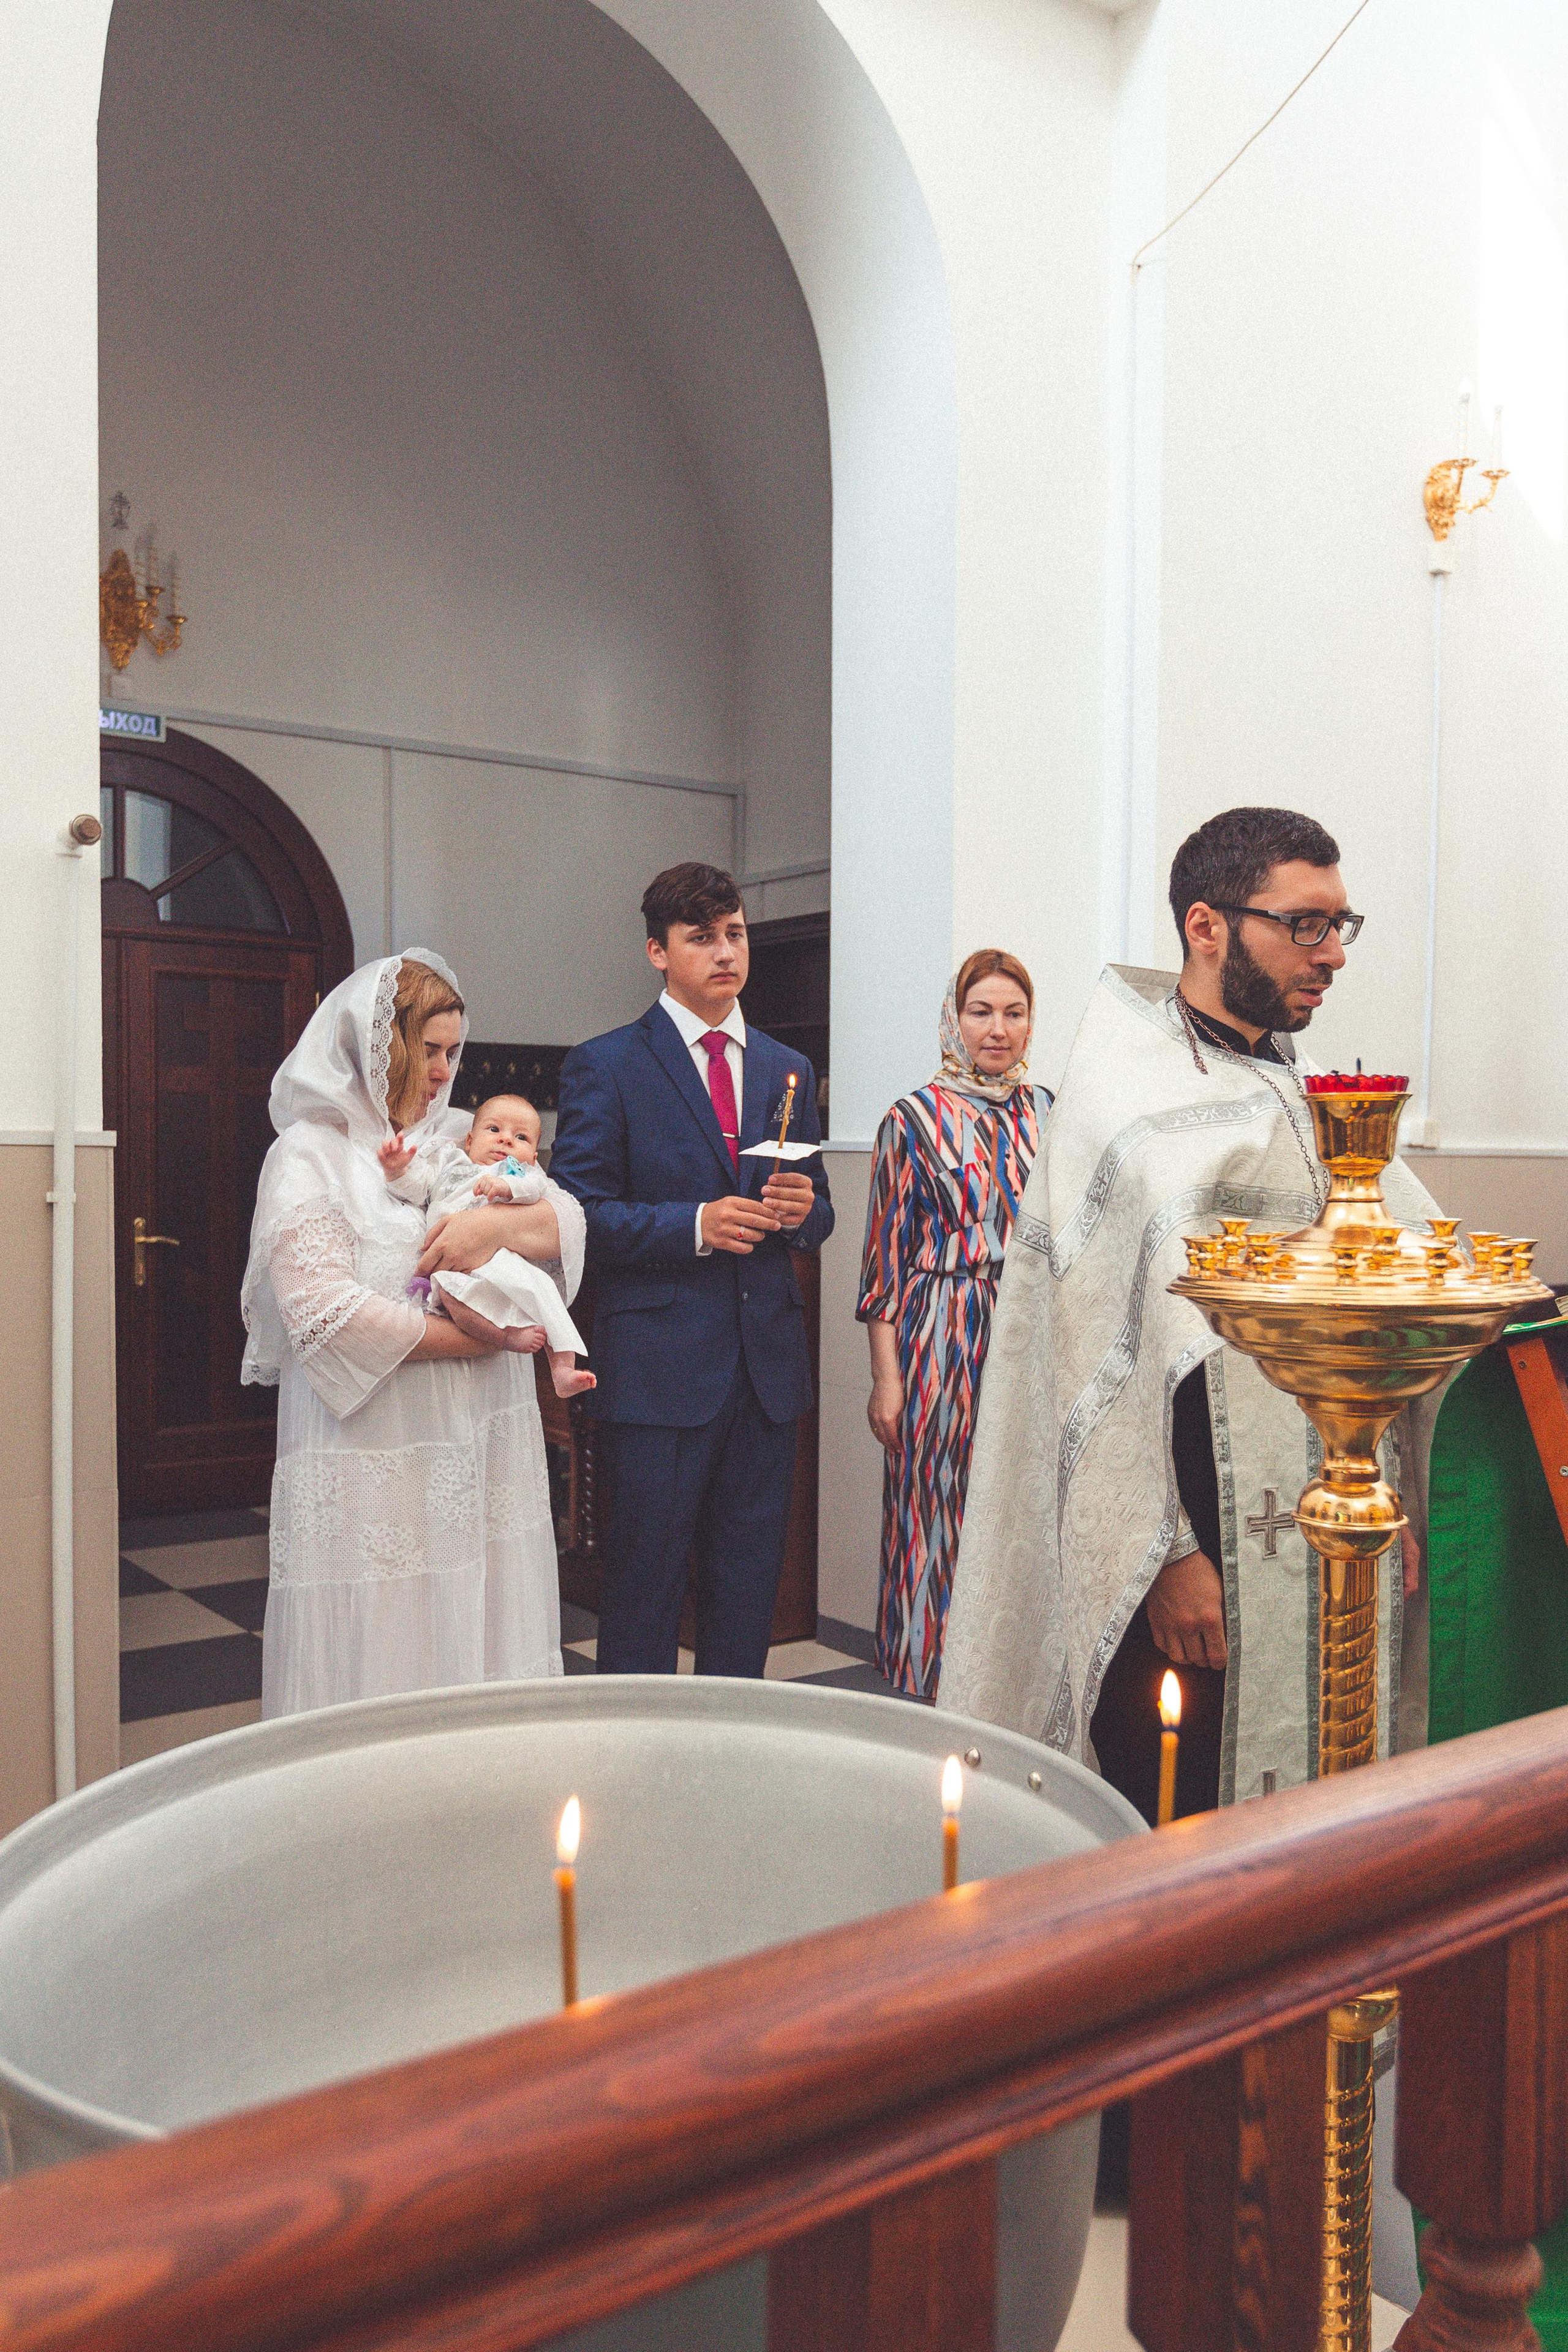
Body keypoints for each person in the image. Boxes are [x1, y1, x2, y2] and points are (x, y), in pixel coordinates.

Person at [938, 808, 1441, 1820]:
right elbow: (1091, 1357)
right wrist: (1165, 1553)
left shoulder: (1302, 1102)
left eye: (1344, 925)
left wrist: (1386, 1494)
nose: (1333, 954)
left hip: (1330, 1535)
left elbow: (1379, 1301)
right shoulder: (1123, 1106)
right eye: (1305, 925)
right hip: (1195, 1552)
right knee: (1180, 1814)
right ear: (1207, 927)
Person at [241, 952, 586, 1717]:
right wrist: (479, 1340)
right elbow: (323, 1313)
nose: (441, 1070)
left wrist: (487, 1227)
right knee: (390, 1648)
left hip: (481, 1450)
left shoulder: (462, 1138)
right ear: (378, 1045)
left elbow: (564, 1221)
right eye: (424, 1049)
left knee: (480, 1637)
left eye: (452, 1051)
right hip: (375, 1453)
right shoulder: (310, 1155)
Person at [549, 861, 834, 1676]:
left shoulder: (788, 1068)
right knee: (645, 1590)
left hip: (765, 1372)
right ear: (657, 953)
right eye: (701, 937)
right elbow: (582, 1218)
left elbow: (818, 1211)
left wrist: (799, 1211)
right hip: (659, 1372)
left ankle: (730, 1769)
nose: (724, 952)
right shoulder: (607, 1065)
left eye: (734, 933)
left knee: (746, 1592)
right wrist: (698, 1225)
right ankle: (632, 1774)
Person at [858, 951, 1050, 1698]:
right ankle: (925, 1687)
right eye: (981, 1012)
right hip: (940, 1332)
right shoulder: (910, 1118)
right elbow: (883, 1268)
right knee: (934, 1509)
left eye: (1013, 1012)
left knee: (1020, 1510)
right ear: (953, 1019)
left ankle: (1004, 1685)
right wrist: (886, 1380)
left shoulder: (1049, 1113)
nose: (997, 1030)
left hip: (1030, 1330)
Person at [379, 1091, 595, 1400]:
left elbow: (534, 1190)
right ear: (469, 1141)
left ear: (534, 1157)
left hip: (501, 1257)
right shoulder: (448, 1164)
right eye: (494, 1130)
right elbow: (417, 1188)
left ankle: (562, 1368)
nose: (506, 1141)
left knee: (544, 1293)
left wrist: (506, 1186)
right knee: (452, 1296)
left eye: (520, 1137)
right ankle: (503, 1336)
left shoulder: (518, 1172)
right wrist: (397, 1171)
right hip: (456, 1266)